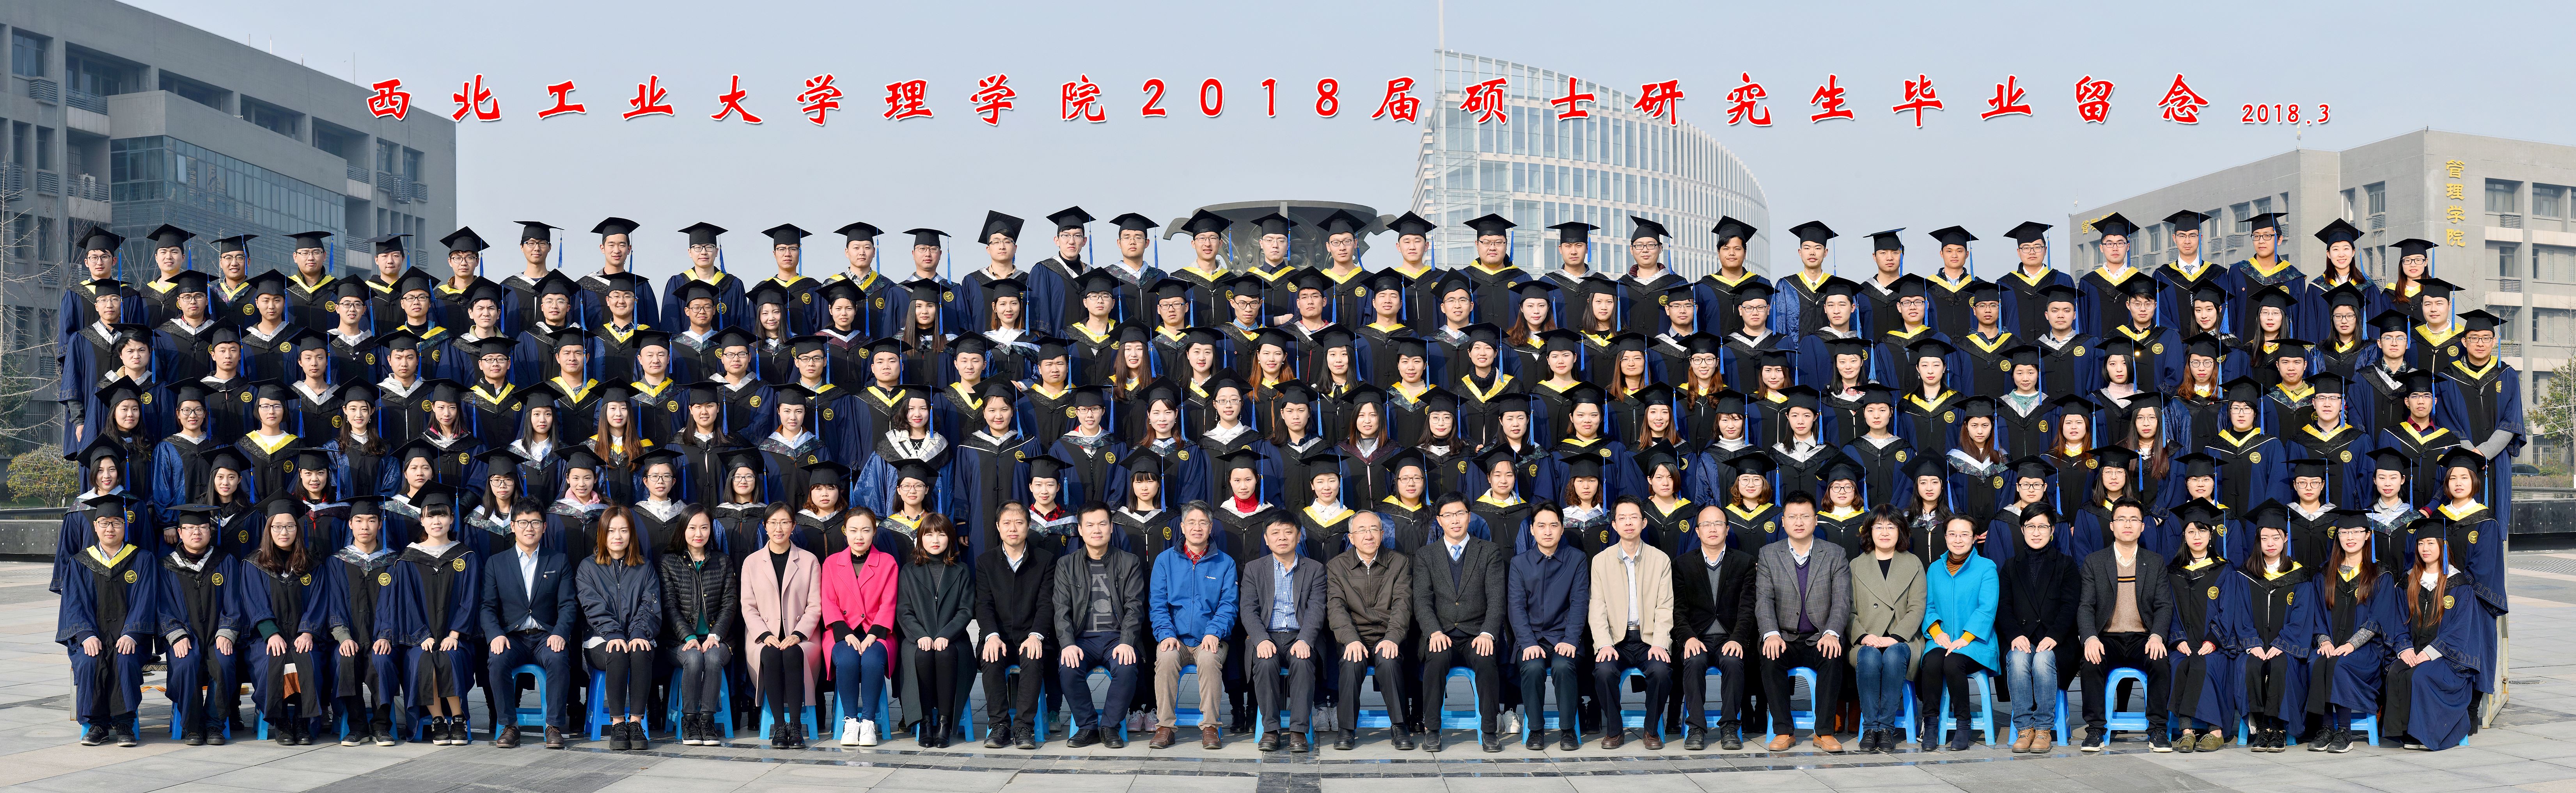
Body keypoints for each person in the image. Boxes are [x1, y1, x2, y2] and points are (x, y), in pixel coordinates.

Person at [2076, 494, 2175, 751]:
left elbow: (2164, 605)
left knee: (2160, 662)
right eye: (2121, 519)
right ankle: (2095, 730)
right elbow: (2086, 606)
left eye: (2134, 520)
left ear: (2143, 527)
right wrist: (2090, 638)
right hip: (2107, 638)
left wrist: (2157, 636)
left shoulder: (2155, 562)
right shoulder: (2095, 562)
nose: (2127, 524)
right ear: (2112, 526)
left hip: (2143, 638)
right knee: (2091, 662)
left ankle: (2157, 730)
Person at [60, 493, 156, 748]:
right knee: (90, 660)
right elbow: (73, 604)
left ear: (125, 525)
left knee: (125, 658)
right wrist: (86, 635)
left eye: (116, 523)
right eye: (104, 523)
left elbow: (145, 600)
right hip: (92, 636)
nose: (110, 528)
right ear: (95, 526)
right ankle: (97, 725)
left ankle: (125, 723)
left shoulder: (142, 560)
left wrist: (133, 633)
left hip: (130, 637)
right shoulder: (81, 562)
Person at [479, 499, 577, 749]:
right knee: (497, 660)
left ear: (544, 527)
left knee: (558, 659)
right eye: (523, 523)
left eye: (535, 522)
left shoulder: (558, 561)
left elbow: (568, 604)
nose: (529, 528)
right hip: (513, 637)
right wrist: (495, 634)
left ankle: (553, 726)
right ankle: (509, 726)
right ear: (513, 526)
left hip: (546, 636)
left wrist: (560, 633)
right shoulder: (496, 563)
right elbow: (487, 607)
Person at [1754, 492, 1847, 752]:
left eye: (1805, 516)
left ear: (1815, 520)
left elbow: (1842, 600)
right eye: (1793, 517)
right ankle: (1783, 731)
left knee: (1833, 655)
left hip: (1819, 637)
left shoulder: (1835, 554)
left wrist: (1832, 633)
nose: (1799, 522)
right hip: (1784, 636)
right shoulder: (1769, 554)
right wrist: (1771, 634)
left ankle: (1824, 733)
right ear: (1783, 521)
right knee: (1770, 656)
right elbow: (1764, 600)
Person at [1411, 503, 1506, 753]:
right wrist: (1433, 631)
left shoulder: (1489, 551)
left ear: (1469, 517)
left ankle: (1489, 731)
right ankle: (1432, 729)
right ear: (1439, 520)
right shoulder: (1426, 555)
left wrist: (1488, 633)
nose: (1455, 520)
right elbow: (1422, 600)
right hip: (1441, 633)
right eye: (1448, 515)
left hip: (1477, 633)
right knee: (1436, 659)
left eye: (1460, 514)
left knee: (1486, 660)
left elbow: (1497, 599)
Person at [1053, 502, 1146, 748]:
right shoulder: (1066, 564)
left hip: (1117, 638)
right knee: (1068, 667)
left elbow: (1135, 607)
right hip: (1082, 639)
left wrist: (1127, 642)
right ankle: (1087, 727)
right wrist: (1068, 644)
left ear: (1112, 527)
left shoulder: (1129, 562)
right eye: (1090, 525)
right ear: (1080, 530)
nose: (1097, 530)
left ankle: (1110, 727)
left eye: (1103, 524)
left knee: (1127, 667)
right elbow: (1061, 610)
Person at [1148, 498, 1239, 750]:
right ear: (1182, 527)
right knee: (1166, 659)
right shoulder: (1165, 561)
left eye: (1203, 523)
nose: (1197, 527)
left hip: (1210, 638)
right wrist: (1166, 634)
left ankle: (1210, 727)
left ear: (1211, 527)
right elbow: (1158, 604)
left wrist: (1214, 633)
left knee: (1209, 660)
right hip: (1175, 638)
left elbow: (1229, 605)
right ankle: (1165, 727)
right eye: (1191, 522)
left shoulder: (1225, 563)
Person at [241, 499, 330, 745]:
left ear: (298, 530)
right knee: (271, 659)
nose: (284, 532)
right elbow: (254, 603)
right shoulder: (254, 564)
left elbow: (319, 602)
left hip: (304, 635)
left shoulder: (312, 564)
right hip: (266, 637)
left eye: (290, 526)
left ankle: (302, 720)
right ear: (269, 530)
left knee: (308, 658)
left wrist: (308, 633)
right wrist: (271, 633)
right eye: (278, 527)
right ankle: (280, 721)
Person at [1589, 497, 1676, 750]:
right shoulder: (1601, 561)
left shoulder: (1660, 560)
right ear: (1614, 525)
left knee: (1662, 671)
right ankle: (1615, 731)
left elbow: (1665, 607)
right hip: (1616, 640)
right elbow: (1597, 608)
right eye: (1623, 518)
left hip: (1648, 639)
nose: (1629, 523)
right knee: (1604, 672)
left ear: (1644, 522)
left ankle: (1651, 730)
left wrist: (1660, 643)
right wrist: (1604, 644)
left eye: (1634, 517)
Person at [2383, 522, 2479, 751]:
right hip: (2413, 650)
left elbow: (2460, 629)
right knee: (2396, 672)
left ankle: (2426, 734)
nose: (2425, 549)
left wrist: (2430, 653)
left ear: (2443, 546)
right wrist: (2404, 648)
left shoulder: (2459, 585)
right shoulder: (2409, 581)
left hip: (2447, 656)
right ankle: (2406, 733)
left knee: (2421, 675)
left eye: (2430, 543)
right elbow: (2398, 618)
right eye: (2420, 544)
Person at [153, 505, 244, 746]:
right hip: (185, 636)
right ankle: (192, 726)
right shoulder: (166, 566)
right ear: (180, 533)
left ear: (210, 532)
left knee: (224, 662)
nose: (197, 532)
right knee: (186, 663)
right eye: (191, 528)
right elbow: (163, 607)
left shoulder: (225, 562)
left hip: (217, 635)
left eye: (203, 527)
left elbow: (234, 602)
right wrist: (176, 635)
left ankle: (214, 724)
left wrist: (227, 632)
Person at [2222, 517, 2315, 752]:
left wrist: (2282, 644)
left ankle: (2279, 729)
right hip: (2254, 645)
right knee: (2251, 665)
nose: (2270, 543)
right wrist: (2252, 643)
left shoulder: (2299, 576)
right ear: (2258, 540)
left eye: (2276, 538)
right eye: (2264, 538)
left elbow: (2301, 616)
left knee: (2281, 666)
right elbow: (2240, 613)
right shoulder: (2245, 575)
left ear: (2286, 539)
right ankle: (2263, 728)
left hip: (2285, 647)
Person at [1326, 509, 1416, 750]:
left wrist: (1393, 638)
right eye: (1362, 531)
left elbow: (1403, 605)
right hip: (1355, 636)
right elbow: (1336, 608)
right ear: (1351, 537)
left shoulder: (1399, 563)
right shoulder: (1337, 566)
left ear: (1383, 534)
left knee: (1389, 661)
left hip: (1388, 635)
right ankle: (1347, 729)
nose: (1369, 536)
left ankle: (1400, 725)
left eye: (1374, 530)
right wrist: (1350, 640)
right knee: (1351, 662)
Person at [1242, 511, 1329, 753]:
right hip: (1267, 635)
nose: (1282, 538)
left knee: (1303, 662)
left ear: (1298, 537)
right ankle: (1271, 730)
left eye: (1288, 532)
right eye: (1276, 533)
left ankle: (1298, 731)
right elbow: (1248, 609)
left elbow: (1317, 609)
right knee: (1265, 663)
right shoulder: (1254, 569)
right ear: (1266, 539)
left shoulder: (1314, 569)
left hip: (1299, 635)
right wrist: (1261, 639)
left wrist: (1305, 639)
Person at [974, 503, 1058, 750]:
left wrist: (1036, 635)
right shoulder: (985, 562)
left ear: (1028, 526)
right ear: (998, 527)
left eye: (1019, 523)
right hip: (998, 636)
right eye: (1007, 523)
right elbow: (983, 604)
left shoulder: (1044, 560)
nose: (1013, 529)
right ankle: (999, 725)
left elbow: (1046, 604)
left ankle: (1024, 727)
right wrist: (991, 636)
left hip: (1031, 635)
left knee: (1033, 657)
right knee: (990, 657)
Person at [1673, 503, 1755, 751]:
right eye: (1706, 524)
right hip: (1697, 637)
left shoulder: (1744, 562)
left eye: (1718, 524)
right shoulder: (1683, 564)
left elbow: (1747, 608)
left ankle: (1730, 727)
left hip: (1730, 637)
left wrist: (1738, 638)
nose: (1712, 529)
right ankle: (1696, 728)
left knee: (1733, 662)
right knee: (1694, 661)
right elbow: (1678, 610)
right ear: (1697, 531)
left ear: (1727, 529)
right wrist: (1688, 638)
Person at [1998, 510, 2081, 754]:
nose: (2037, 533)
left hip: (2057, 641)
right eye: (2031, 527)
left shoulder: (2066, 564)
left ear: (2052, 531)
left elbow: (2070, 606)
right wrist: (2015, 635)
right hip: (2022, 637)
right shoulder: (2011, 566)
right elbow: (2003, 607)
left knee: (2043, 660)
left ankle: (2044, 729)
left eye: (2043, 527)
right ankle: (2025, 729)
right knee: (2017, 658)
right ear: (2022, 530)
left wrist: (2054, 636)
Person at [322, 497, 402, 748]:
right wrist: (343, 637)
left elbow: (396, 605)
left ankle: (381, 726)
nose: (365, 526)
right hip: (349, 636)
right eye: (359, 521)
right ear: (350, 525)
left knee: (382, 661)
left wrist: (386, 636)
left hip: (382, 638)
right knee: (345, 659)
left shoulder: (394, 562)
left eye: (371, 520)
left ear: (380, 524)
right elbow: (334, 603)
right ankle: (357, 727)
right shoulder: (337, 562)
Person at [2306, 511, 2388, 754]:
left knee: (2340, 664)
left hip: (2365, 651)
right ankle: (2326, 728)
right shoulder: (2325, 574)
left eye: (2356, 532)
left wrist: (2351, 645)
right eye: (2344, 533)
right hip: (2331, 645)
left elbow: (2378, 619)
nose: (2350, 537)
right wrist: (2324, 640)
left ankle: (2345, 732)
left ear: (2368, 535)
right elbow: (2316, 613)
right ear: (2338, 537)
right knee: (2316, 663)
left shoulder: (2380, 574)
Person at [816, 502, 896, 747]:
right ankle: (851, 721)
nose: (859, 536)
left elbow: (889, 602)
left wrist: (874, 634)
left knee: (872, 660)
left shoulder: (888, 563)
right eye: (853, 530)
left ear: (875, 532)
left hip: (878, 632)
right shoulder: (831, 563)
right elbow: (828, 601)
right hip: (842, 632)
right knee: (848, 659)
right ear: (845, 532)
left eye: (866, 530)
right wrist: (845, 633)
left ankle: (869, 722)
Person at [1916, 516, 1999, 752]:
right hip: (1941, 640)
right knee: (1932, 662)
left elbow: (1987, 608)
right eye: (1952, 534)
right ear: (1945, 538)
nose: (1958, 540)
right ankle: (1931, 724)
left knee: (1953, 663)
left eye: (1964, 535)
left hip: (1976, 642)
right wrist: (1936, 632)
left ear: (1975, 538)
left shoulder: (1986, 567)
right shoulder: (1935, 569)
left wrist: (1966, 638)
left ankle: (1964, 724)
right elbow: (1928, 606)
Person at [1847, 507, 1925, 753]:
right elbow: (1848, 610)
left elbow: (1917, 607)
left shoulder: (1913, 563)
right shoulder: (1856, 565)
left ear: (1901, 531)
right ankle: (1871, 728)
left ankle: (1886, 730)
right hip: (1866, 638)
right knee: (1869, 656)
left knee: (1894, 655)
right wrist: (1863, 636)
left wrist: (1896, 637)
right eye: (1879, 527)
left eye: (1891, 527)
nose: (1885, 532)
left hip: (1904, 639)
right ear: (1869, 531)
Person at [660, 505, 739, 747]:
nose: (699, 534)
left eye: (704, 528)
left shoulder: (723, 561)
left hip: (718, 638)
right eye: (692, 528)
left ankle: (707, 721)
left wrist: (716, 635)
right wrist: (688, 636)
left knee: (713, 658)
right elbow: (669, 606)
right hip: (679, 640)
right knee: (694, 659)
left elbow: (730, 603)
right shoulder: (669, 562)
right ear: (682, 530)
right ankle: (690, 722)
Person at [894, 515, 974, 748]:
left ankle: (944, 723)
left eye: (942, 534)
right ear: (921, 539)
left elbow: (966, 611)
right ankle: (926, 722)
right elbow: (904, 611)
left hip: (954, 638)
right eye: (929, 535)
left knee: (946, 654)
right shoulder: (909, 571)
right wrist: (921, 635)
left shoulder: (962, 570)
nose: (935, 540)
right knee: (922, 655)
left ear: (950, 538)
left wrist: (946, 635)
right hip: (917, 639)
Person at [2164, 501, 2234, 752]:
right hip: (2183, 644)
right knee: (2180, 664)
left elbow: (2229, 610)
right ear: (2184, 535)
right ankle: (2187, 732)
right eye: (2191, 531)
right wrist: (2178, 639)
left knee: (2204, 663)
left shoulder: (2224, 570)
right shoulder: (2173, 572)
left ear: (2211, 534)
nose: (2197, 537)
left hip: (2213, 645)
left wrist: (2213, 640)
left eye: (2202, 531)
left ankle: (2215, 731)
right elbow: (2167, 609)